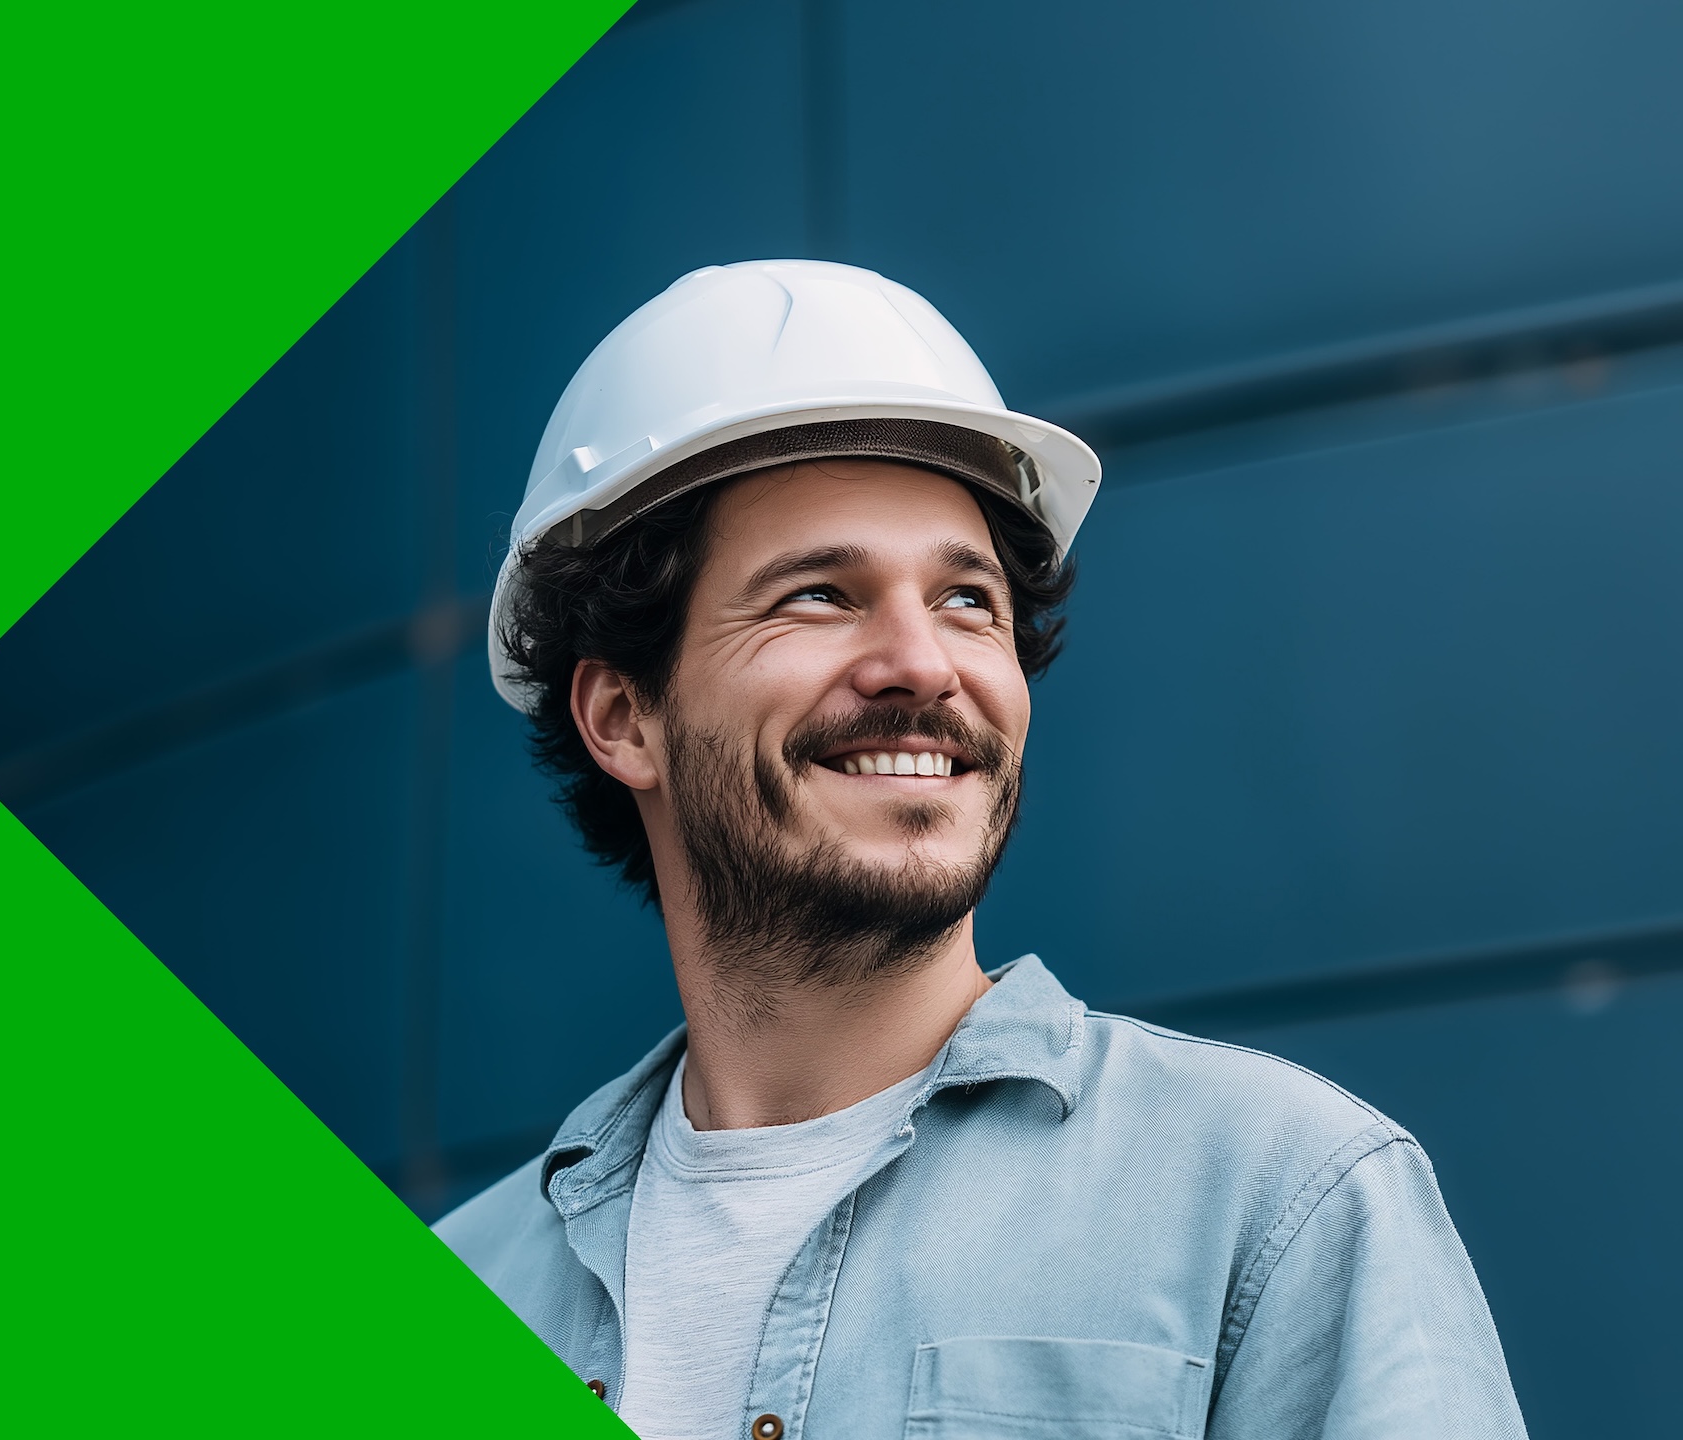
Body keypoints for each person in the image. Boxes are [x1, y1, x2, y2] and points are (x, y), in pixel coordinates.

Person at [435, 261, 1524, 1440]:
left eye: (968, 602)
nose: (922, 661)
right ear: (621, 718)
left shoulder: (1279, 1201)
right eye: (817, 595)